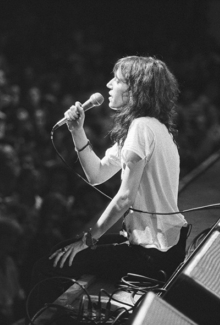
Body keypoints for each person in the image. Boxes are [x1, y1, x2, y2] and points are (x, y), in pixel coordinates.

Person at [34, 56, 188, 284]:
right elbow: (97, 175)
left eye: (116, 80)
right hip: (163, 247)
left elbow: (125, 197)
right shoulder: (153, 128)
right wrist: (77, 131)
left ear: (135, 90)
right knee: (63, 250)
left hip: (154, 254)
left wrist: (88, 240)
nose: (108, 85)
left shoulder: (141, 127)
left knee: (54, 263)